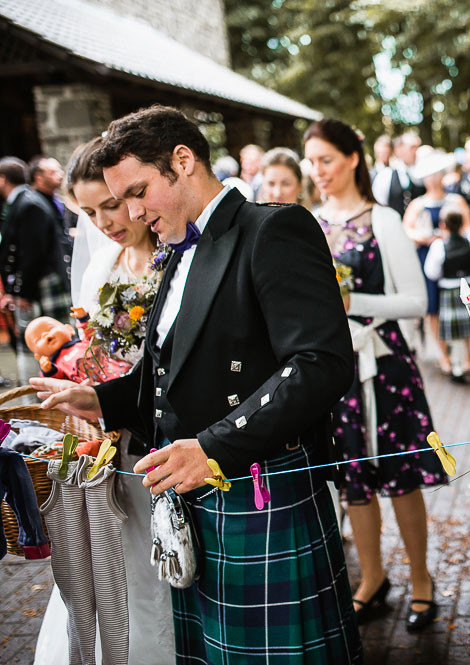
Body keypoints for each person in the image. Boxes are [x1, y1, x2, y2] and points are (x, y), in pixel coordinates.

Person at [31, 105, 362, 663]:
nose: (132, 212)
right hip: (196, 501)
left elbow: (320, 363)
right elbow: (170, 369)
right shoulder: (178, 248)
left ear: (182, 161)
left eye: (138, 191)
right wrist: (103, 399)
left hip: (260, 494)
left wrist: (213, 448)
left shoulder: (272, 228)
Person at [32, 135, 174, 665]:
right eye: (88, 211)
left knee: (165, 567)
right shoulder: (101, 267)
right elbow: (86, 348)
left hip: (165, 436)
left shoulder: (175, 256)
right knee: (118, 564)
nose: (103, 223)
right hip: (109, 442)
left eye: (110, 205)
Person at [305, 118, 446, 633]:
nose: (318, 171)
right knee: (352, 480)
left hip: (384, 365)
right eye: (312, 162)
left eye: (326, 159)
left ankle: (422, 580)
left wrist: (351, 301)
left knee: (400, 477)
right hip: (337, 369)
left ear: (352, 159)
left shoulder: (381, 219)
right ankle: (372, 578)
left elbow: (416, 301)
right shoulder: (312, 223)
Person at [0, 156, 73, 383]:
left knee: (47, 341)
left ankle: (45, 388)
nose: (59, 175)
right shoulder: (30, 201)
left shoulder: (31, 203)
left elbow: (33, 254)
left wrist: (22, 291)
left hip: (42, 284)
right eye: (53, 171)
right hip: (39, 284)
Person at [403, 151, 470, 374]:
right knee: (433, 308)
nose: (433, 179)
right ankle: (443, 355)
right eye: (429, 175)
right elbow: (406, 230)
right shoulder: (418, 204)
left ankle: (467, 357)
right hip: (428, 260)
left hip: (453, 259)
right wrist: (424, 238)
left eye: (437, 174)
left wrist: (449, 236)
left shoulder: (456, 201)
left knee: (462, 305)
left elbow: (469, 227)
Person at [422, 205, 470, 383]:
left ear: (443, 225)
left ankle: (458, 367)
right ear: (461, 223)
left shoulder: (438, 246)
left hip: (451, 292)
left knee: (456, 335)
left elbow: (431, 272)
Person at [371, 132, 425, 217]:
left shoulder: (423, 173)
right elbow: (379, 206)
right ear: (398, 150)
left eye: (417, 147)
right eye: (412, 147)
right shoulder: (385, 176)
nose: (416, 151)